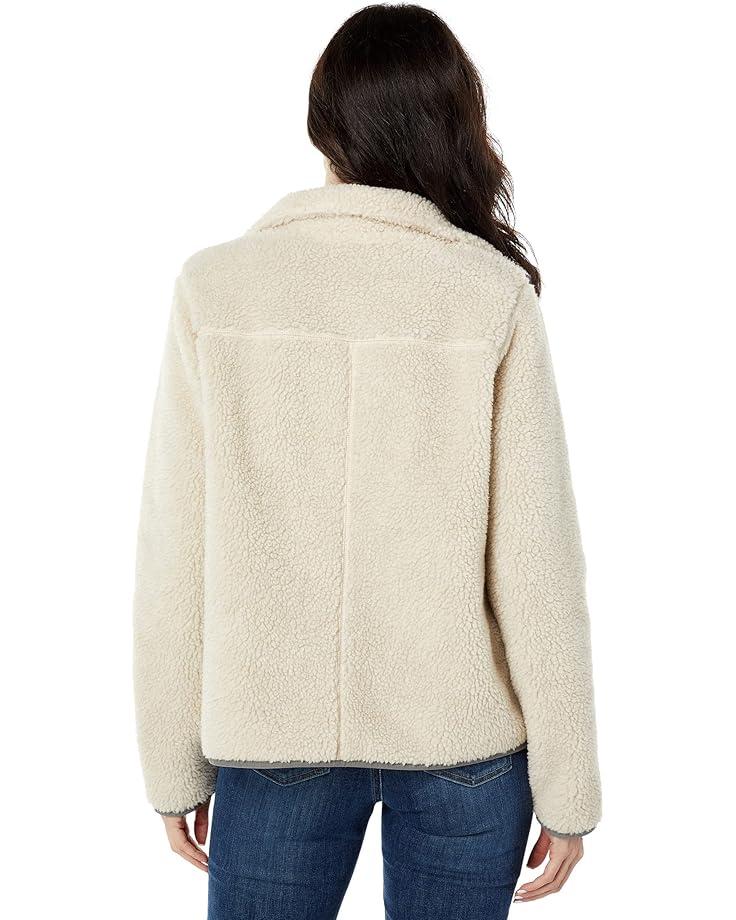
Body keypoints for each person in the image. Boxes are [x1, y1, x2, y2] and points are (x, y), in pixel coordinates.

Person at [133, 5, 601, 918]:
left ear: (323, 124)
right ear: (455, 124)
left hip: (273, 735)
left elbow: (175, 548)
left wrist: (170, 762)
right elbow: (539, 564)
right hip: (463, 743)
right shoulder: (489, 292)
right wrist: (570, 785)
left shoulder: (218, 287)